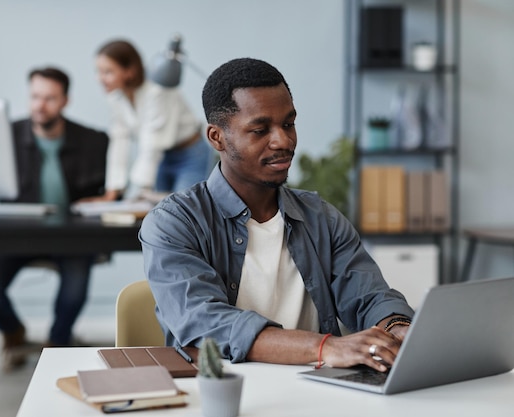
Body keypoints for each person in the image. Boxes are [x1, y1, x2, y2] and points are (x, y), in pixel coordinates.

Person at [139, 58, 415, 372]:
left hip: (317, 389)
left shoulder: (321, 218)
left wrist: (397, 328)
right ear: (217, 137)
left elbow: (369, 296)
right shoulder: (173, 223)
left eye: (288, 124)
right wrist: (325, 347)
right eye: (260, 130)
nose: (283, 141)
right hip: (220, 393)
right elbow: (207, 322)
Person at [0, 67, 109, 372]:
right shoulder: (3, 136)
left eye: (49, 98)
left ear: (65, 101)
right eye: (35, 96)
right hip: (16, 234)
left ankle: (58, 346)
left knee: (74, 291)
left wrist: (107, 196)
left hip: (71, 236)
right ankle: (13, 332)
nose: (40, 105)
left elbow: (107, 190)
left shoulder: (92, 140)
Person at [93, 39, 211, 201]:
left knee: (186, 213)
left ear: (130, 71)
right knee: (162, 214)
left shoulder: (157, 92)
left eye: (108, 72)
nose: (100, 79)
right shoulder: (116, 97)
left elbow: (152, 144)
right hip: (163, 157)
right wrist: (112, 191)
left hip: (190, 155)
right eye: (98, 72)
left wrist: (139, 189)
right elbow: (119, 141)